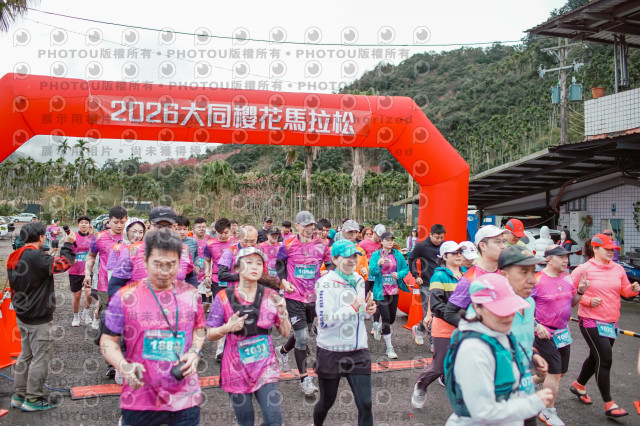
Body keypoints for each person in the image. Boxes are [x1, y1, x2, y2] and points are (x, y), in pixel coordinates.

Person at [101, 229, 206, 426]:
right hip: (140, 397)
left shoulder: (191, 295)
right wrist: (123, 366)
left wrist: (194, 351)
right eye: (158, 263)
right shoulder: (125, 297)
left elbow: (199, 329)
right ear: (145, 260)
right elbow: (107, 340)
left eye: (171, 264)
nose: (165, 271)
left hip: (185, 396)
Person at [443, 273, 553, 425]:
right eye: (499, 310)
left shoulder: (500, 333)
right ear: (477, 307)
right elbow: (482, 412)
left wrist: (533, 356)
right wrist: (534, 403)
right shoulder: (474, 350)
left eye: (511, 308)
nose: (508, 315)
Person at [206, 247, 291, 426]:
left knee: (274, 420)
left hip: (265, 367)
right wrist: (227, 328)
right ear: (237, 268)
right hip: (235, 370)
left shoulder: (271, 295)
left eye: (259, 263)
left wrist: (283, 312)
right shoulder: (223, 297)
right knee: (246, 422)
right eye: (249, 262)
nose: (254, 267)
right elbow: (210, 334)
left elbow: (284, 332)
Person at [569, 234, 640, 418]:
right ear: (595, 248)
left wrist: (632, 290)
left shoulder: (618, 269)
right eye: (607, 249)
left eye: (613, 249)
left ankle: (578, 385)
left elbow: (625, 291)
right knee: (605, 359)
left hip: (611, 321)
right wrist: (587, 300)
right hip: (590, 320)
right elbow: (569, 291)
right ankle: (609, 404)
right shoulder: (583, 269)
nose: (611, 252)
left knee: (596, 357)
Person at [8, 222, 75, 411]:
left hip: (22, 314)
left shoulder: (16, 254)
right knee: (40, 357)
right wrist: (68, 244)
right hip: (38, 316)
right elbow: (63, 264)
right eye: (44, 235)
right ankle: (33, 399)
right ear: (40, 237)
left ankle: (19, 395)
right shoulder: (35, 256)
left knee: (26, 355)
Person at [313, 240, 377, 426]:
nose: (352, 260)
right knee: (327, 402)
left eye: (354, 256)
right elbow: (324, 322)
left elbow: (360, 313)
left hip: (358, 351)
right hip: (331, 352)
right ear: (334, 259)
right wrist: (353, 307)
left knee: (365, 404)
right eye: (347, 257)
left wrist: (367, 310)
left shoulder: (358, 279)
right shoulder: (325, 283)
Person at [274, 211, 332, 395]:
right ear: (297, 226)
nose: (309, 228)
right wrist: (284, 281)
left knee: (304, 332)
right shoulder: (287, 243)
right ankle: (304, 379)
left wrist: (329, 274)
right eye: (305, 225)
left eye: (311, 225)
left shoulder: (322, 244)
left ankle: (282, 351)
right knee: (302, 337)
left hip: (313, 297)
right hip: (294, 296)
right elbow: (279, 264)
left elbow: (330, 264)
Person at [533, 245, 588, 426]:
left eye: (567, 257)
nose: (566, 260)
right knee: (554, 371)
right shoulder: (537, 280)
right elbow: (523, 306)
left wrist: (580, 291)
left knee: (560, 372)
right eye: (561, 257)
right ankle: (547, 411)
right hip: (544, 332)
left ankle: (530, 383)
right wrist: (536, 325)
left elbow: (573, 304)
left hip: (563, 332)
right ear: (548, 259)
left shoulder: (567, 278)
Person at [498, 245, 549, 426]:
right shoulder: (489, 308)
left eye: (533, 272)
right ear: (504, 275)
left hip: (524, 384)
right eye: (523, 272)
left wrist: (533, 355)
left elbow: (520, 340)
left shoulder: (529, 303)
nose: (531, 279)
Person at [412, 241, 464, 409]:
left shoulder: (466, 275)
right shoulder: (439, 276)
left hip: (464, 326)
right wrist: (459, 318)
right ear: (445, 257)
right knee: (439, 365)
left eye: (460, 252)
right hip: (444, 327)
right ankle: (421, 385)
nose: (459, 255)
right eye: (454, 253)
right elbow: (436, 305)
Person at [444, 225, 507, 326]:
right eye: (498, 242)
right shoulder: (470, 278)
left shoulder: (506, 272)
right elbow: (450, 314)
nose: (503, 246)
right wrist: (477, 328)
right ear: (483, 246)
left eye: (504, 241)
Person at [84, 206, 128, 330]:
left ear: (126, 220)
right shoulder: (99, 237)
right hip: (104, 282)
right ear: (109, 221)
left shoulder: (130, 237)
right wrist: (87, 273)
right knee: (104, 309)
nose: (119, 225)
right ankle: (97, 317)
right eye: (116, 222)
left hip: (126, 282)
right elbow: (91, 256)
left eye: (122, 222)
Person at [368, 231, 409, 358]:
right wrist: (378, 264)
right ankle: (389, 348)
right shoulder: (376, 255)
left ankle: (379, 327)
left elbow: (405, 269)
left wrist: (399, 274)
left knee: (391, 319)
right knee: (386, 317)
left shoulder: (397, 254)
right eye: (387, 240)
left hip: (394, 290)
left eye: (391, 239)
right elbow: (371, 272)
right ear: (381, 241)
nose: (390, 242)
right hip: (381, 291)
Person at [409, 224, 445, 346]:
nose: (439, 240)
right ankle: (433, 342)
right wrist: (416, 275)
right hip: (426, 284)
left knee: (436, 313)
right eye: (437, 237)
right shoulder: (422, 246)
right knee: (429, 313)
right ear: (430, 235)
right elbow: (412, 259)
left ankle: (419, 329)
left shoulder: (445, 246)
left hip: (442, 284)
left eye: (441, 237)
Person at [106, 218, 147, 298]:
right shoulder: (117, 249)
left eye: (141, 232)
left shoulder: (145, 249)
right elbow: (111, 278)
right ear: (126, 231)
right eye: (134, 231)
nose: (137, 235)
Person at [68, 215, 93, 327]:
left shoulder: (93, 238)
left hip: (89, 271)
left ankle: (86, 313)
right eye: (82, 222)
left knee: (89, 293)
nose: (84, 224)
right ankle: (76, 316)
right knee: (77, 296)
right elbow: (66, 251)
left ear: (89, 225)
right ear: (78, 225)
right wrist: (70, 259)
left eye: (86, 223)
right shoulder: (72, 237)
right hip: (75, 271)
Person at [191, 217, 212, 295]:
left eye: (203, 227)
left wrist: (209, 275)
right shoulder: (190, 240)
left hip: (207, 276)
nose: (201, 229)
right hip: (193, 276)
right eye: (199, 227)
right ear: (194, 228)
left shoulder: (210, 240)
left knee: (207, 299)